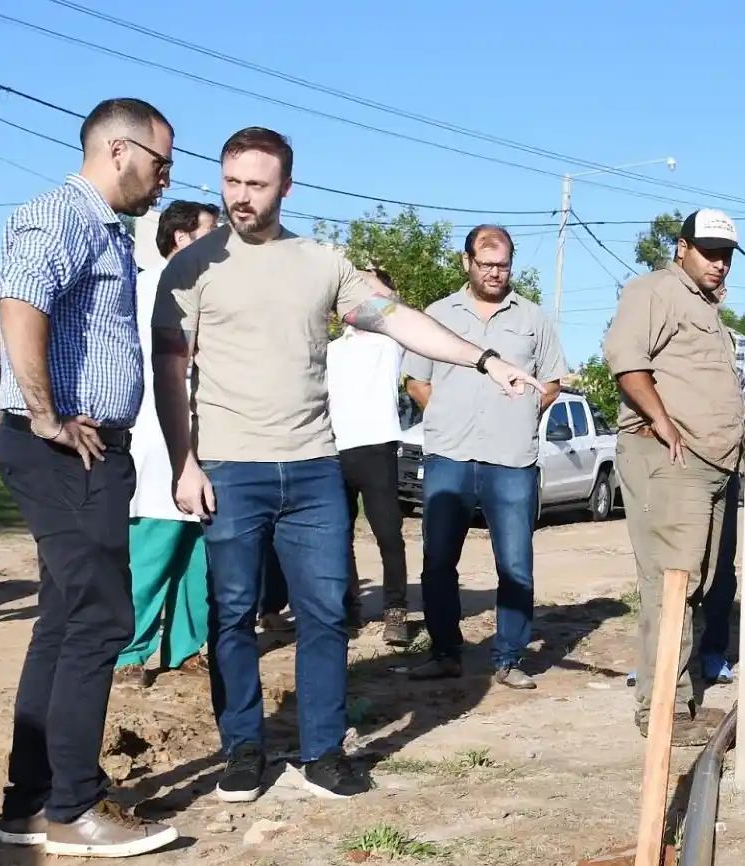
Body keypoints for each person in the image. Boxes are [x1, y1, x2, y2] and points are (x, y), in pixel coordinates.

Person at [151, 127, 543, 804]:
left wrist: (482, 359)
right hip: (230, 467)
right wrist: (183, 461)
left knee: (326, 614)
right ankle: (242, 750)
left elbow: (397, 320)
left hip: (310, 471)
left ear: (286, 188)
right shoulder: (190, 268)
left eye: (257, 184)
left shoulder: (320, 262)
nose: (242, 198)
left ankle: (322, 751)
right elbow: (168, 366)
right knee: (233, 614)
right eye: (232, 182)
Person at [0, 97, 179, 857]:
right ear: (118, 150)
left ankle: (30, 805)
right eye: (161, 162)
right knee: (100, 619)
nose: (166, 179)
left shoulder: (102, 227)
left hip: (87, 448)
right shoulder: (61, 215)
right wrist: (43, 415)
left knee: (66, 620)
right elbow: (18, 303)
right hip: (69, 448)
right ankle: (73, 807)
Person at [603, 208, 745, 746]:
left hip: (710, 463)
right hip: (669, 460)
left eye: (727, 256)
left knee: (697, 584)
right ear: (681, 247)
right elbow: (624, 357)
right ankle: (663, 712)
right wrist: (662, 421)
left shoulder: (703, 306)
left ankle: (676, 698)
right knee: (670, 585)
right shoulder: (654, 290)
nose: (719, 264)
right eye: (709, 252)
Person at [403, 225, 568, 688]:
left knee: (515, 564)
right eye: (486, 263)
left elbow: (552, 379)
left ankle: (510, 658)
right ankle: (444, 652)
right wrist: (443, 412)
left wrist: (520, 413)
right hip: (448, 456)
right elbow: (416, 378)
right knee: (438, 561)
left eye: (503, 265)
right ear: (467, 262)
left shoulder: (534, 319)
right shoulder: (436, 314)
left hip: (511, 459)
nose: (495, 273)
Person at [114, 200, 220, 689]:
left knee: (196, 552)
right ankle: (129, 652)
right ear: (181, 238)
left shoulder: (208, 287)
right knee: (152, 552)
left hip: (209, 433)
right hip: (157, 438)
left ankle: (184, 646)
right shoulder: (150, 285)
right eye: (209, 232)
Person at [326, 265, 410, 643]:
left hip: (378, 446)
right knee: (337, 534)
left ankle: (396, 611)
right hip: (335, 447)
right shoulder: (332, 348)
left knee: (388, 533)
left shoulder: (390, 342)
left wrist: (359, 274)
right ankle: (348, 608)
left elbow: (395, 305)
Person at [698, 286, 745, 685]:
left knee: (719, 568)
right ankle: (662, 660)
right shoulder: (661, 347)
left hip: (724, 472)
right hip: (670, 470)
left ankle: (712, 651)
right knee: (666, 569)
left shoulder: (740, 348)